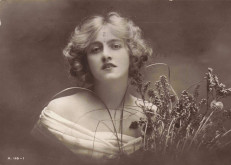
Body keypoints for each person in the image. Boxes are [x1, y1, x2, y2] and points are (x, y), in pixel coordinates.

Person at [31, 12, 153, 164]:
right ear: (85, 61)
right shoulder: (60, 111)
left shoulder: (153, 116)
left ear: (131, 53)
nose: (106, 55)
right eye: (95, 49)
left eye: (115, 46)